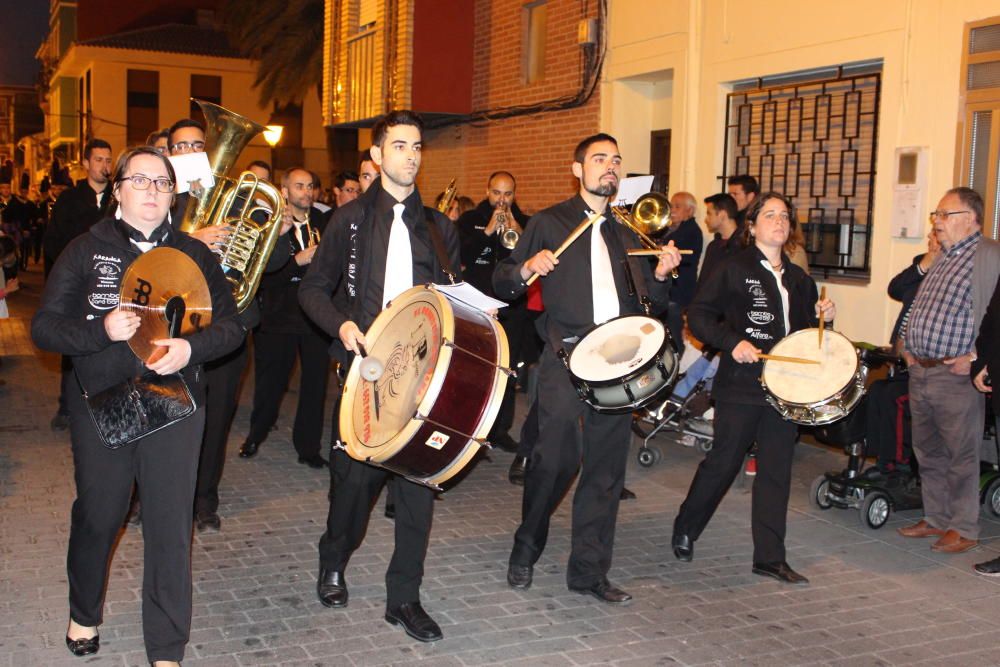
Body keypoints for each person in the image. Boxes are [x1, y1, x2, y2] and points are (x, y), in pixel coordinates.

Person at [31, 146, 243, 666]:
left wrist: (192, 349)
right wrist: (98, 329)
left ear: (175, 195)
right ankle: (85, 610)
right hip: (105, 401)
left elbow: (232, 327)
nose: (151, 191)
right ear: (119, 188)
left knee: (171, 523)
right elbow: (43, 327)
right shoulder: (86, 249)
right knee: (101, 514)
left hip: (172, 399)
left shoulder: (194, 252)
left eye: (162, 183)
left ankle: (166, 648)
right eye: (140, 181)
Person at [493, 133, 681, 603]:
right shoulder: (549, 222)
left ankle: (589, 572)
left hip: (619, 362)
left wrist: (659, 277)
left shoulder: (626, 230)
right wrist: (526, 267)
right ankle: (527, 543)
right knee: (555, 461)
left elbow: (649, 305)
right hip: (565, 357)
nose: (610, 167)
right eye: (599, 159)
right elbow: (503, 280)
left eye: (616, 160)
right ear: (577, 169)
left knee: (605, 471)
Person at [299, 110, 461, 642]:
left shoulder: (439, 228)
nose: (411, 154)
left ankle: (405, 598)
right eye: (399, 146)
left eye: (417, 146)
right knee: (353, 487)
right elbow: (312, 290)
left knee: (418, 488)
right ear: (376, 156)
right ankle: (334, 559)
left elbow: (451, 301)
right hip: (362, 374)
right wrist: (343, 326)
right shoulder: (348, 220)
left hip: (422, 378)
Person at [671, 192, 835, 585]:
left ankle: (770, 556)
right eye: (770, 214)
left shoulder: (800, 279)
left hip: (785, 389)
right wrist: (732, 342)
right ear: (753, 224)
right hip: (741, 387)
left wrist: (825, 319)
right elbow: (700, 315)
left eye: (785, 216)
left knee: (776, 470)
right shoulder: (733, 267)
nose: (779, 221)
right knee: (724, 462)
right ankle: (686, 526)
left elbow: (807, 338)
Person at [896, 187, 1000, 554]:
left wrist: (975, 358)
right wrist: (908, 346)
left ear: (969, 218)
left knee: (961, 454)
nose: (937, 222)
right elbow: (922, 306)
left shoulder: (989, 256)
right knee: (928, 450)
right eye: (936, 216)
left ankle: (964, 527)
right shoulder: (942, 257)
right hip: (922, 370)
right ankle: (936, 518)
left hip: (955, 375)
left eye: (944, 215)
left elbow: (994, 317)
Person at [239, 167, 331, 467]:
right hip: (279, 317)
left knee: (315, 386)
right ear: (285, 190)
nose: (306, 191)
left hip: (315, 318)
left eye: (310, 185)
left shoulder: (324, 221)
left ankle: (309, 448)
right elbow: (263, 277)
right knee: (270, 384)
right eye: (299, 186)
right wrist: (297, 261)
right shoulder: (271, 223)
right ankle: (256, 435)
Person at [42, 139, 114, 432]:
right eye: (98, 160)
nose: (104, 166)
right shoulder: (69, 200)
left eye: (108, 160)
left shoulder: (119, 198)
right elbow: (54, 244)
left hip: (110, 287)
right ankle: (67, 407)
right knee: (72, 349)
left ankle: (107, 407)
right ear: (85, 163)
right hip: (77, 289)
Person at [457, 171, 529, 452]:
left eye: (508, 194)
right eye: (497, 193)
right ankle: (470, 427)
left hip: (511, 307)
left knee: (506, 369)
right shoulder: (470, 220)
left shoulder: (525, 222)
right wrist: (487, 232)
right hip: (477, 302)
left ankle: (500, 430)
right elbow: (463, 257)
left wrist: (518, 232)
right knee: (474, 367)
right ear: (487, 191)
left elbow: (530, 259)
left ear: (514, 194)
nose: (502, 200)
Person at [860, 228, 938, 479]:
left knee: (896, 397)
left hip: (929, 367)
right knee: (877, 391)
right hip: (904, 361)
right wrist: (926, 262)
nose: (930, 241)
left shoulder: (952, 274)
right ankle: (882, 459)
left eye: (934, 236)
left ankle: (900, 464)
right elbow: (895, 288)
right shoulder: (921, 267)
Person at [663, 191, 704, 353]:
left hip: (679, 292)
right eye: (671, 205)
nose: (672, 209)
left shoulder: (691, 231)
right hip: (672, 291)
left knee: (675, 336)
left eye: (677, 206)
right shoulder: (675, 229)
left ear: (690, 211)